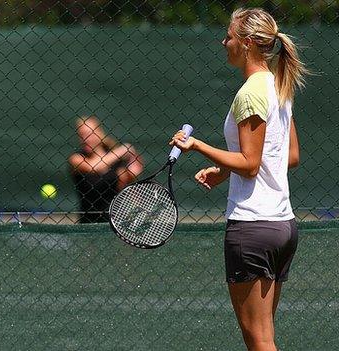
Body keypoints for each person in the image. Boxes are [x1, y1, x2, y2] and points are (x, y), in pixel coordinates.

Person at [170, 8, 307, 351]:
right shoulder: (279, 85)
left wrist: (197, 145)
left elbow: (250, 163)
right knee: (265, 337)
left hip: (252, 229)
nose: (224, 42)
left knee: (259, 341)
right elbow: (287, 157)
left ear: (246, 44)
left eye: (229, 37)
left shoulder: (251, 92)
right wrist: (224, 170)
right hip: (282, 227)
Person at [69, 115, 143, 223]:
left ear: (99, 133)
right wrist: (124, 149)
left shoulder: (117, 161)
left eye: (89, 134)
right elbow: (93, 167)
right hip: (88, 225)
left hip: (116, 223)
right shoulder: (76, 158)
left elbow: (127, 184)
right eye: (82, 135)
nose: (86, 139)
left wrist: (132, 172)